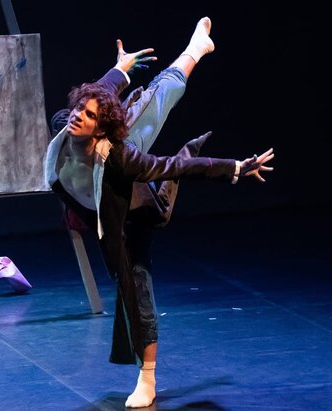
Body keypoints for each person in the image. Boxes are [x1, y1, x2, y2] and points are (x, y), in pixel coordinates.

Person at [44, 17, 275, 408]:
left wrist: (234, 168)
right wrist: (121, 69)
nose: (78, 115)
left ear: (99, 129)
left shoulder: (120, 155)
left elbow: (173, 166)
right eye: (78, 110)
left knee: (157, 98)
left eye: (88, 115)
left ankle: (147, 378)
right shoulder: (64, 131)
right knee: (137, 251)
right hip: (109, 200)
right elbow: (99, 93)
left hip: (129, 207)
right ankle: (159, 202)